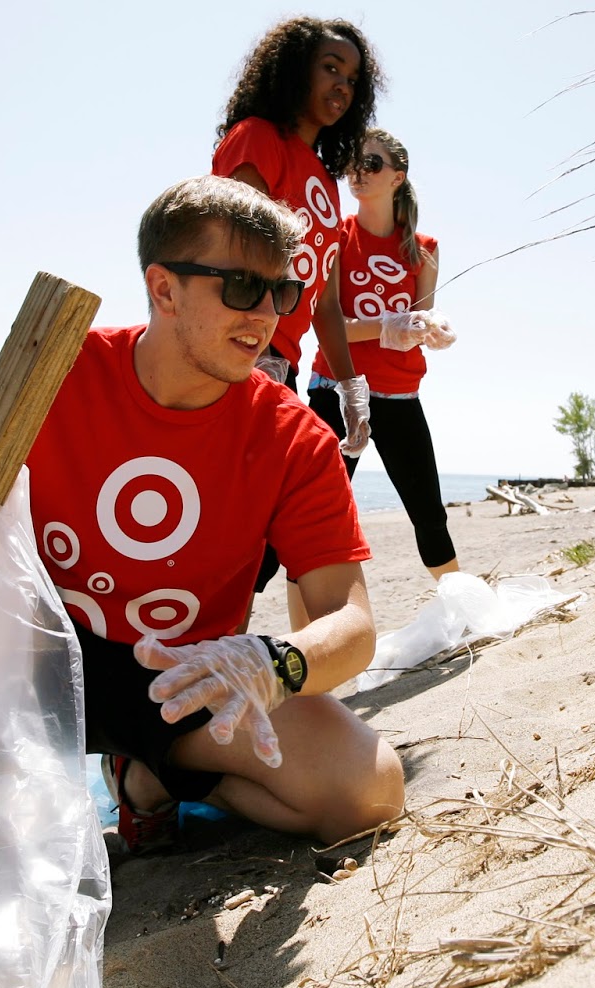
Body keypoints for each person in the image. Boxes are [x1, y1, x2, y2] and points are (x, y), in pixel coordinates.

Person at [0, 176, 405, 851]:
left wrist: (274, 662)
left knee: (370, 790)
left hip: (181, 678)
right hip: (28, 657)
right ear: (163, 288)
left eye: (282, 292)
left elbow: (351, 624)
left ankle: (149, 776)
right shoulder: (59, 368)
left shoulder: (294, 439)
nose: (267, 315)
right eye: (242, 288)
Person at [211, 16, 383, 623]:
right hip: (235, 360)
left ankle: (252, 670)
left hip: (281, 372)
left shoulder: (327, 188)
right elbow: (232, 257)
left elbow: (327, 304)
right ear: (293, 70)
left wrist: (351, 387)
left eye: (353, 77)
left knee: (259, 539)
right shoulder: (255, 139)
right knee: (231, 534)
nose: (342, 85)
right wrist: (248, 367)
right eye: (330, 68)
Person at [306, 128, 461, 580]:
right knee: (313, 517)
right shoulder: (334, 237)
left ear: (398, 177)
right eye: (353, 163)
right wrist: (390, 325)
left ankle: (462, 612)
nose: (358, 173)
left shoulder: (425, 250)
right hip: (336, 390)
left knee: (430, 515)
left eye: (371, 164)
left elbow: (419, 322)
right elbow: (328, 327)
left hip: (400, 396)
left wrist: (431, 330)